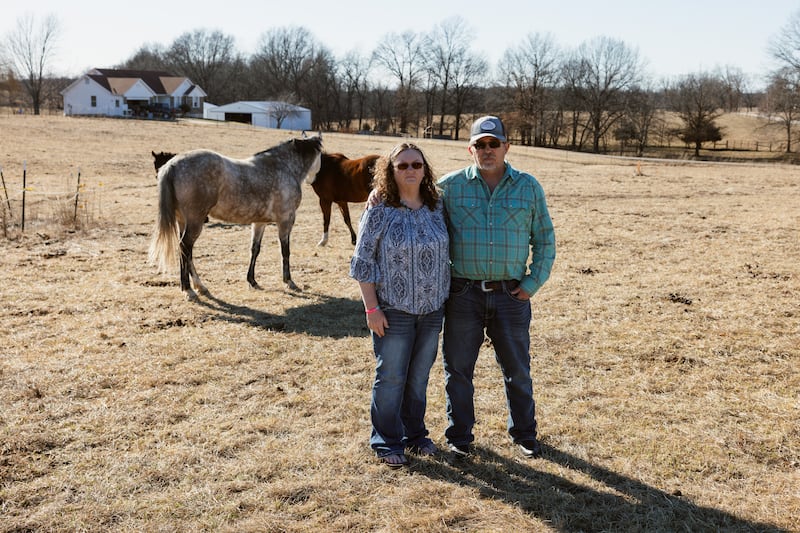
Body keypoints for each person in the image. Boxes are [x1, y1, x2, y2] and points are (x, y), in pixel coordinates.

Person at [439, 115, 556, 459]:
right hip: (463, 294)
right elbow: (413, 207)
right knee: (458, 371)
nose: (487, 150)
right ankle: (460, 437)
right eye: (480, 144)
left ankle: (524, 433)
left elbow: (545, 240)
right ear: (470, 149)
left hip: (511, 294)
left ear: (507, 146)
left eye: (494, 143)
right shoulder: (449, 187)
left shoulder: (528, 187)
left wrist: (533, 283)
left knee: (517, 370)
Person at [350, 142, 450, 468]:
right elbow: (362, 261)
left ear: (425, 170)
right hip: (393, 309)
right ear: (390, 172)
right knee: (391, 377)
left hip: (433, 308)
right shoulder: (379, 209)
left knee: (419, 378)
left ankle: (415, 435)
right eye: (402, 165)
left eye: (416, 165)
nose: (410, 170)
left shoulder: (436, 205)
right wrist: (371, 308)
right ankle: (386, 441)